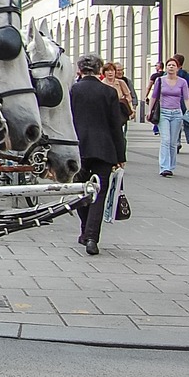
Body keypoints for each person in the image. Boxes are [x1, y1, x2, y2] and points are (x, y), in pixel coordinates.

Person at [69, 54, 127, 256]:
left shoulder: (73, 91)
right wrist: (120, 155)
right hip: (104, 148)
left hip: (79, 148)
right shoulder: (109, 92)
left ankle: (85, 230)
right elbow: (115, 125)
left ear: (80, 70)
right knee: (99, 193)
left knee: (81, 190)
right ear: (99, 70)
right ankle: (92, 237)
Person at [147, 57, 189, 177]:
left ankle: (171, 166)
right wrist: (149, 111)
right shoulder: (160, 80)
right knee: (165, 140)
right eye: (169, 65)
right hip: (163, 112)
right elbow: (154, 96)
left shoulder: (182, 82)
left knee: (173, 142)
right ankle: (164, 167)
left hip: (176, 114)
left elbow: (186, 98)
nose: (171, 67)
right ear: (166, 68)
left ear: (178, 68)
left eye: (173, 65)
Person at [173, 54, 189, 147]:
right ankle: (180, 140)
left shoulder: (167, 74)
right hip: (183, 101)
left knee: (173, 121)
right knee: (181, 120)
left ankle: (176, 140)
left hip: (171, 102)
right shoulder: (186, 75)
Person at [101, 62, 134, 129]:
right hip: (106, 113)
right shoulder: (101, 84)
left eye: (112, 70)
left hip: (119, 112)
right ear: (104, 72)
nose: (110, 73)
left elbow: (128, 97)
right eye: (107, 70)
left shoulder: (121, 82)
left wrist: (131, 109)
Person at [147, 60, 165, 133]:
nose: (155, 67)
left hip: (156, 95)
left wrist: (146, 95)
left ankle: (156, 127)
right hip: (164, 96)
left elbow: (149, 86)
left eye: (156, 66)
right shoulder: (165, 75)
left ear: (159, 67)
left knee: (156, 111)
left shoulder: (154, 76)